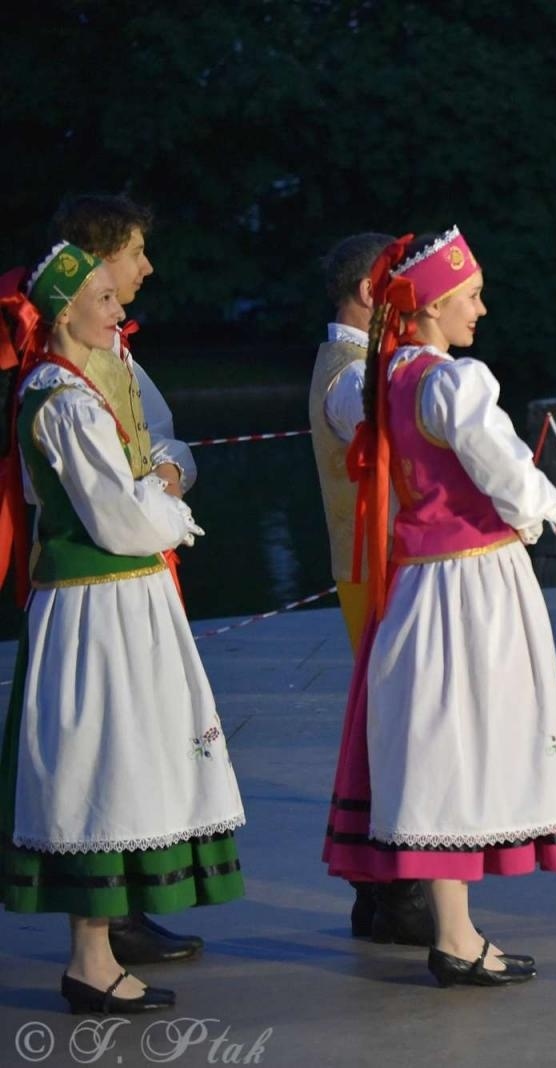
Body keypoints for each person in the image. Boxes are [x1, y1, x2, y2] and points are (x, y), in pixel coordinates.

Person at [323, 229, 556, 988]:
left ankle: (455, 930)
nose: (481, 307)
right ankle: (454, 937)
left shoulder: (379, 377)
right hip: (473, 584)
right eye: (470, 295)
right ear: (433, 305)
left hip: (416, 582)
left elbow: (367, 429)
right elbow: (505, 469)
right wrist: (540, 510)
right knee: (471, 740)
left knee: (441, 747)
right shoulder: (451, 381)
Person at [0, 243, 243, 1013]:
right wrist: (171, 512)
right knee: (99, 761)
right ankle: (89, 961)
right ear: (63, 313)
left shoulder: (77, 387)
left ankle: (97, 955)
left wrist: (154, 500)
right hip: (95, 606)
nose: (117, 312)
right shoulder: (62, 400)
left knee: (121, 760)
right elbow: (119, 517)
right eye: (103, 300)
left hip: (118, 598)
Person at [50, 194, 207, 966]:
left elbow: (163, 440)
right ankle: (104, 927)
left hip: (138, 565)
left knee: (141, 736)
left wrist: (170, 473)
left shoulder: (115, 354)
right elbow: (98, 494)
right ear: (99, 260)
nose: (146, 268)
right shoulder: (60, 379)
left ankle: (127, 910)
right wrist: (158, 499)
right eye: (135, 253)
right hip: (96, 582)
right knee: (106, 739)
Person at [308, 232, 434, 947]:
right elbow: (399, 442)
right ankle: (396, 887)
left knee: (390, 715)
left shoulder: (355, 366)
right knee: (397, 718)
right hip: (378, 567)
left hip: (376, 565)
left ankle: (382, 890)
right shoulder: (350, 377)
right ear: (368, 293)